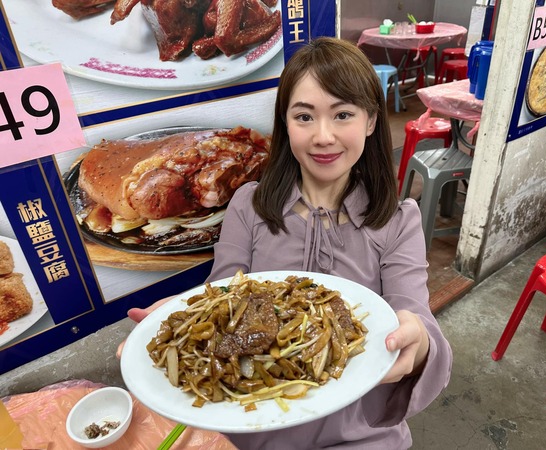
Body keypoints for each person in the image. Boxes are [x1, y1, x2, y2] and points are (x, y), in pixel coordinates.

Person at [122, 36, 452, 449]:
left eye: (343, 114)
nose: (323, 136)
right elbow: (224, 294)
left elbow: (415, 316)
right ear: (286, 123)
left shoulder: (398, 219)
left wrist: (417, 341)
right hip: (257, 426)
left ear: (370, 121)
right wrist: (181, 318)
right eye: (304, 117)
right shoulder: (249, 205)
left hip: (361, 434)